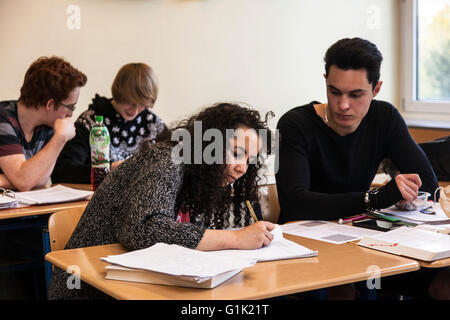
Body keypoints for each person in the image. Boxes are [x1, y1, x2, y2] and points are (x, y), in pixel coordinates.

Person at [276, 37, 448, 299]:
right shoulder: (294, 125)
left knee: (440, 280)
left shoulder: (384, 117)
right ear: (325, 80)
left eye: (356, 95)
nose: (343, 105)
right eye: (335, 92)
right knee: (343, 286)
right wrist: (374, 199)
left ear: (376, 89)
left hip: (361, 237)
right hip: (307, 243)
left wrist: (397, 196)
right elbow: (294, 203)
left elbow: (427, 182)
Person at [48, 102, 276, 299]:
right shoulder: (166, 159)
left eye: (250, 160)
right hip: (91, 289)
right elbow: (144, 230)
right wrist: (235, 238)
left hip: (140, 284)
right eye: (236, 153)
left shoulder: (200, 180)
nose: (242, 168)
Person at [51, 63, 166, 183]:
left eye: (142, 105)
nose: (135, 111)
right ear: (119, 92)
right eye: (130, 102)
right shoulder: (90, 122)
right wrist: (107, 170)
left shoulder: (152, 123)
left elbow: (174, 160)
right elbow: (62, 172)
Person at [0, 56, 87, 191]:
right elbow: (25, 181)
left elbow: (40, 179)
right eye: (70, 107)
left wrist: (5, 180)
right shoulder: (3, 119)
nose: (70, 114)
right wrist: (60, 137)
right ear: (50, 104)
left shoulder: (48, 125)